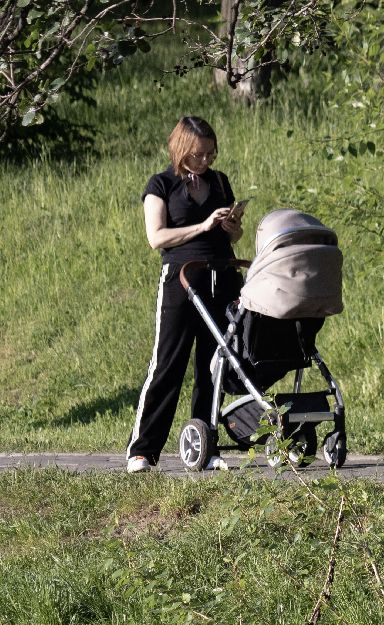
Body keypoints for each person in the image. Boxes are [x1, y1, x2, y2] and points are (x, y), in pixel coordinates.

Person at [127, 115, 244, 472]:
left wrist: (231, 227)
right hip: (181, 280)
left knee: (214, 365)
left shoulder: (219, 182)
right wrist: (203, 225)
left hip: (221, 278)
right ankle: (142, 450)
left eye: (211, 153)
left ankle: (206, 447)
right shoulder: (161, 185)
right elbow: (156, 237)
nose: (206, 160)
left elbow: (234, 236)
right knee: (168, 363)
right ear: (181, 149)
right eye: (199, 154)